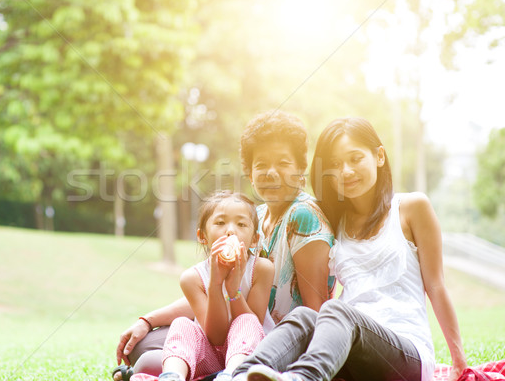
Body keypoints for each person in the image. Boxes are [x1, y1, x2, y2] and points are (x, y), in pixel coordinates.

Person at [233, 117, 467, 381]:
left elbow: (436, 286)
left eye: (355, 159)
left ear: (379, 156)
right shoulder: (335, 221)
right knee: (306, 316)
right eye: (334, 164)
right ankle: (239, 375)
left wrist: (459, 361)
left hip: (405, 354)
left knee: (336, 311)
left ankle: (304, 378)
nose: (345, 171)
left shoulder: (412, 208)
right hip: (349, 347)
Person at [112, 111, 335, 381]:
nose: (271, 172)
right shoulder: (257, 216)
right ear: (250, 174)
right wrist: (147, 320)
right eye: (261, 164)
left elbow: (316, 311)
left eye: (283, 163)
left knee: (152, 357)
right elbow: (208, 289)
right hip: (229, 331)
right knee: (147, 345)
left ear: (301, 170)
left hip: (274, 343)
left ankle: (223, 375)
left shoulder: (303, 216)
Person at [131, 191, 275, 381]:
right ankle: (173, 376)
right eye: (220, 223)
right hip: (211, 355)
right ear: (202, 236)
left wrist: (233, 291)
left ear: (255, 239)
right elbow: (215, 337)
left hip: (250, 354)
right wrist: (215, 285)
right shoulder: (192, 278)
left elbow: (253, 326)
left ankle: (232, 376)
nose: (230, 231)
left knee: (246, 320)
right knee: (182, 324)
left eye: (241, 224)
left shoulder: (261, 269)